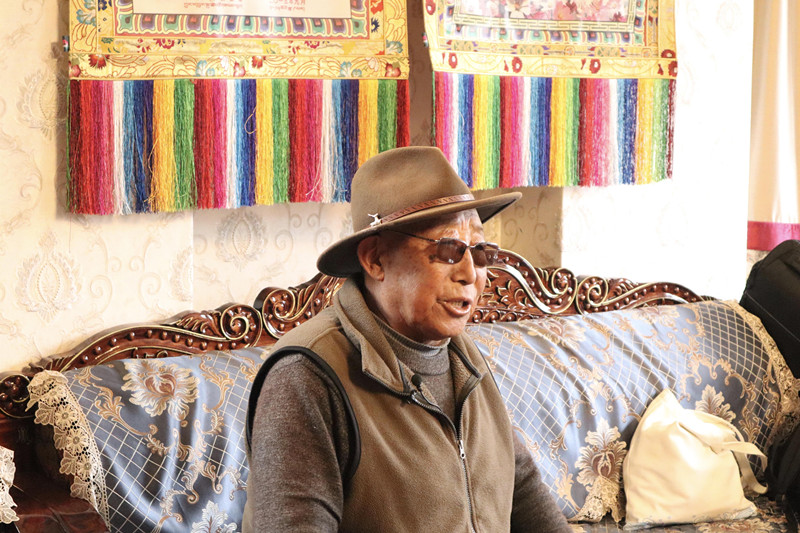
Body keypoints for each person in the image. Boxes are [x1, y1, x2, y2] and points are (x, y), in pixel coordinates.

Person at [243, 146, 569, 532]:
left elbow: (525, 492)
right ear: (375, 259)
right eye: (448, 250)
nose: (471, 273)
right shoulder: (305, 377)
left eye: (480, 252)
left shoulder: (466, 360)